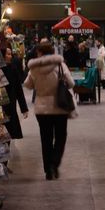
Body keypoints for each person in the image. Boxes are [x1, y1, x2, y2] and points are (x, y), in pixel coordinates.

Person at [24, 39, 76, 180]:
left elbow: (28, 85)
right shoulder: (60, 65)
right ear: (52, 52)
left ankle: (48, 170)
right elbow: (71, 83)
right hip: (60, 106)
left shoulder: (33, 68)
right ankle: (54, 163)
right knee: (60, 137)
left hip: (42, 109)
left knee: (45, 138)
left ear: (40, 53)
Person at [0, 45, 29, 140]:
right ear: (2, 55)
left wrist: (24, 108)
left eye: (10, 54)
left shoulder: (13, 69)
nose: (10, 56)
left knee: (10, 129)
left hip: (10, 103)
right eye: (8, 54)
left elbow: (18, 89)